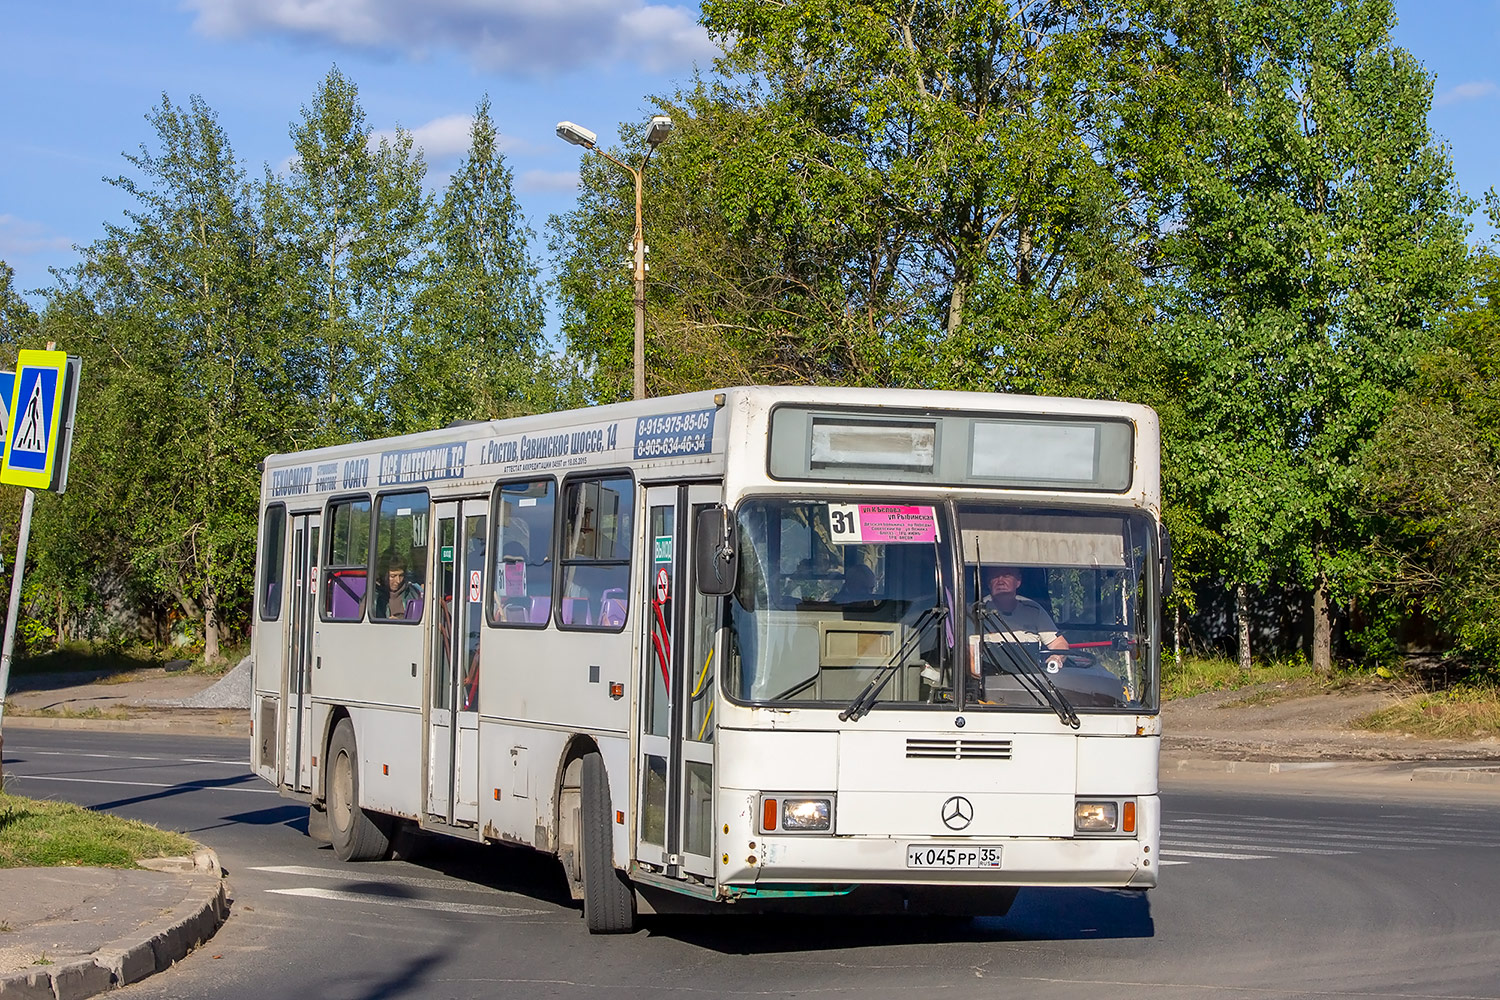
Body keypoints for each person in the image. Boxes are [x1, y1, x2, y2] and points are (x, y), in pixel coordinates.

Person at [978, 565, 1070, 663]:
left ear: (1018, 582)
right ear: (988, 583)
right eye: (995, 576)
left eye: (1006, 575)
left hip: (1030, 677)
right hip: (989, 676)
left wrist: (1056, 658)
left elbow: (1058, 644)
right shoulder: (976, 611)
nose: (1000, 581)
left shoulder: (1034, 611)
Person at [376, 555, 423, 620]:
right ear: (383, 575)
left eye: (401, 575)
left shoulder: (413, 593)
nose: (398, 581)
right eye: (393, 576)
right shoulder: (373, 598)